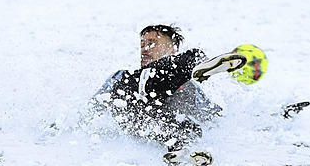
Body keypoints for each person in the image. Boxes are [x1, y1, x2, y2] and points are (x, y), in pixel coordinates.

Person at [89, 24, 247, 165]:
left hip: (155, 122)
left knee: (187, 123)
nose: (144, 49)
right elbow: (94, 105)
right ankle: (198, 63)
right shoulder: (123, 76)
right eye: (142, 45)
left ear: (172, 51)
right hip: (133, 105)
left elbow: (209, 114)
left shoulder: (187, 86)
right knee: (189, 59)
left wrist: (223, 120)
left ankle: (182, 151)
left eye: (151, 44)